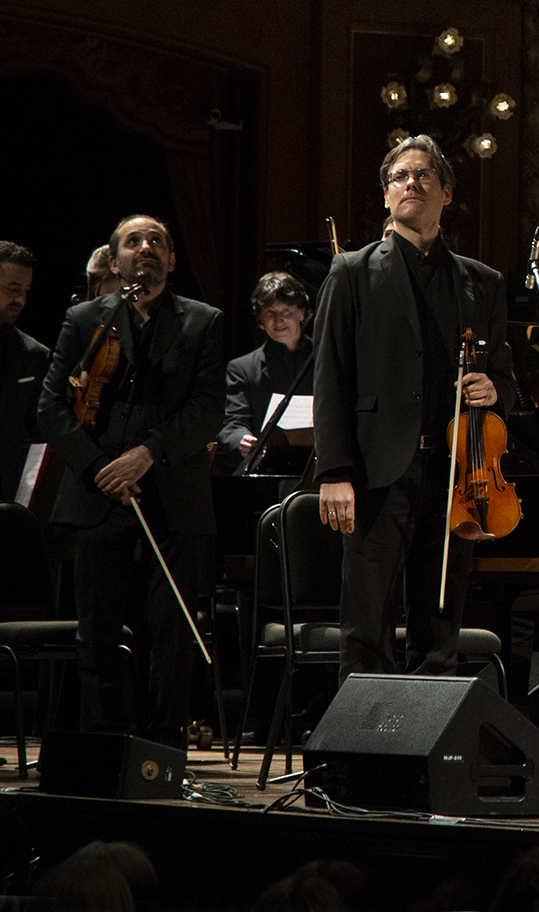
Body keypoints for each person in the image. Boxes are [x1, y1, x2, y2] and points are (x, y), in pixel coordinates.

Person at [313, 134, 515, 682]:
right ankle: (361, 758)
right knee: (367, 625)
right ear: (385, 196)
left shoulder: (482, 282)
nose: (411, 184)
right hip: (378, 471)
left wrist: (493, 389)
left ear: (446, 193)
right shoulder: (351, 272)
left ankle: (429, 758)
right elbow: (330, 376)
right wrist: (334, 472)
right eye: (400, 176)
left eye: (424, 175)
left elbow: (508, 380)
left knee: (441, 621)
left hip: (457, 473)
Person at [37, 214, 224, 749]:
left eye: (157, 241)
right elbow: (52, 406)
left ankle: (163, 751)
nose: (145, 247)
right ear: (114, 259)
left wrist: (147, 453)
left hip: (172, 492)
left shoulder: (202, 321)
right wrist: (98, 467)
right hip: (101, 494)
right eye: (133, 241)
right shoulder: (85, 319)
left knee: (169, 635)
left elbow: (210, 408)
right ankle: (103, 744)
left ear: (170, 259)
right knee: (96, 633)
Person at [217, 271, 314, 461]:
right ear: (261, 317)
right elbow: (232, 423)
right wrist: (242, 440)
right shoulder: (242, 368)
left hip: (317, 467)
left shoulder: (325, 359)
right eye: (270, 312)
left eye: (286, 311)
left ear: (301, 313)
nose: (278, 320)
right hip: (267, 466)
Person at [0, 240, 49, 502]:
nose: (20, 299)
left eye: (26, 290)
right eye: (12, 289)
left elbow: (40, 433)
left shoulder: (33, 355)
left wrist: (26, 495)